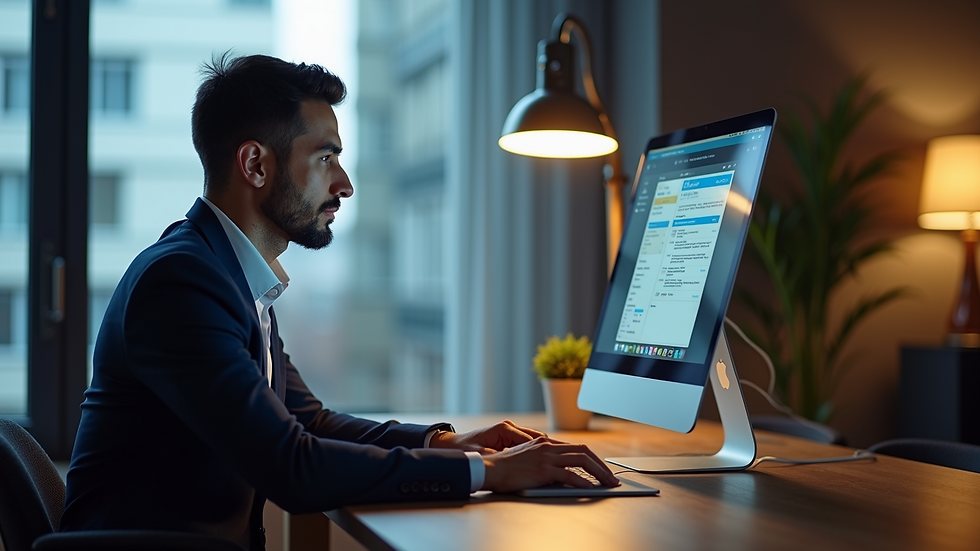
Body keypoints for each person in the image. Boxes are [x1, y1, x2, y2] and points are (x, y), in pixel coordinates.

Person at [61, 54, 618, 550]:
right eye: (326, 158)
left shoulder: (227, 274)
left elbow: (310, 422)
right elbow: (292, 466)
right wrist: (487, 473)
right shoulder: (182, 283)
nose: (345, 184)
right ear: (255, 164)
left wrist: (447, 444)